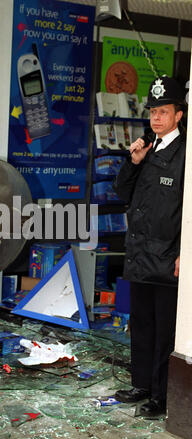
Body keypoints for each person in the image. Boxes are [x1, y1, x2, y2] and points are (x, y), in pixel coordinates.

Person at [113, 76, 187, 417]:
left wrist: (185, 253)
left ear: (179, 115)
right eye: (153, 111)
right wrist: (134, 161)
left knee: (164, 330)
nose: (156, 118)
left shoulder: (185, 155)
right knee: (141, 323)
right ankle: (141, 383)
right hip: (140, 255)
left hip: (168, 257)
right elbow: (121, 192)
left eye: (164, 111)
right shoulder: (148, 147)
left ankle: (161, 396)